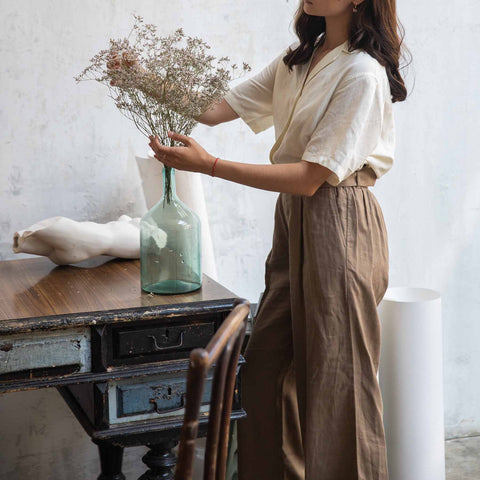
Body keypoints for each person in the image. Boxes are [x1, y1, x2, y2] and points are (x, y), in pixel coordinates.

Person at [149, 1, 409, 478]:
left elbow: (312, 177)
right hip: (294, 218)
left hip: (341, 218)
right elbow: (212, 109)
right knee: (265, 368)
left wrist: (209, 166)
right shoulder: (300, 60)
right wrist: (137, 75)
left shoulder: (363, 74)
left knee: (338, 383)